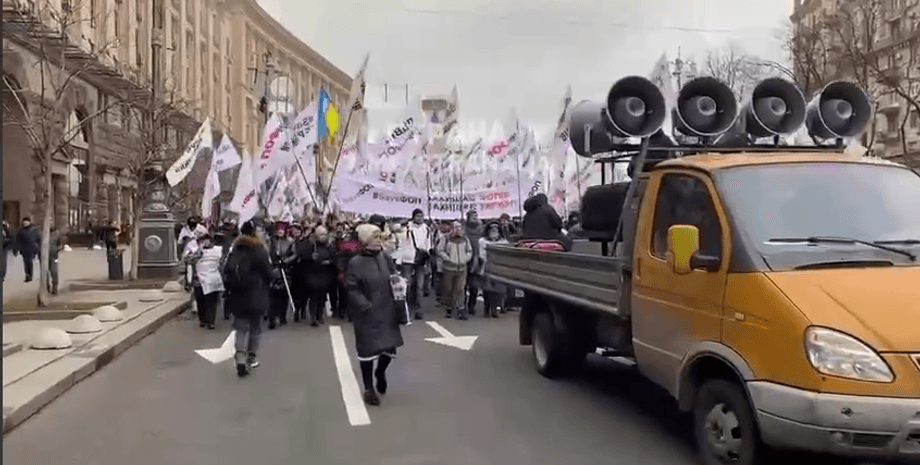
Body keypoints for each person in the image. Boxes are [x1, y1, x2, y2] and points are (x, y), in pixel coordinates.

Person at [344, 223, 406, 406]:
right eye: (375, 237)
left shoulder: (384, 257)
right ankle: (369, 388)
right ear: (364, 241)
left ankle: (380, 372)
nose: (379, 241)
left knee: (389, 349)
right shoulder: (355, 263)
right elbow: (351, 288)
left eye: (380, 237)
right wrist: (365, 305)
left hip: (387, 310)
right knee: (367, 353)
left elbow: (393, 274)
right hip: (367, 314)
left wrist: (399, 282)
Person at [223, 221, 273, 377]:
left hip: (238, 295)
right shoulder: (260, 250)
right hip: (256, 295)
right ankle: (251, 358)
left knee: (240, 329)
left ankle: (240, 358)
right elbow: (268, 274)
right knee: (255, 329)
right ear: (254, 233)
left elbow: (226, 272)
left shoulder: (235, 250)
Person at [399, 209, 433, 320]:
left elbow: (428, 244)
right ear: (413, 217)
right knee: (407, 285)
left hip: (420, 260)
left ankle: (419, 309)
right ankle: (405, 307)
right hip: (407, 259)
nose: (419, 218)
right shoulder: (406, 227)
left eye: (421, 216)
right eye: (417, 216)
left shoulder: (426, 229)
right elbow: (398, 236)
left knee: (419, 286)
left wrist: (426, 257)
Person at [437, 221, 473, 320]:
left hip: (462, 268)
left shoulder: (465, 239)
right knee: (448, 289)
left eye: (459, 227)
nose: (458, 230)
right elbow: (439, 250)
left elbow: (469, 251)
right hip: (449, 268)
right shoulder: (445, 238)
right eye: (455, 227)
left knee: (460, 289)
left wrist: (465, 259)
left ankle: (461, 309)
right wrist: (448, 258)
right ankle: (449, 307)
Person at [304, 225, 337, 326]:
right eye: (320, 234)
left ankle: (320, 315)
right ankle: (313, 317)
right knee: (313, 297)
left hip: (324, 274)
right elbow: (304, 259)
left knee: (322, 297)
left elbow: (334, 258)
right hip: (313, 274)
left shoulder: (329, 246)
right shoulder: (311, 245)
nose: (322, 236)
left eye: (324, 234)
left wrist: (329, 262)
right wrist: (311, 257)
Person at [268, 222, 295, 329]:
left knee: (283, 296)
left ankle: (282, 316)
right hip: (273, 270)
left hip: (285, 270)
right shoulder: (271, 242)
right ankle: (272, 318)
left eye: (282, 230)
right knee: (272, 296)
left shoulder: (289, 242)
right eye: (278, 230)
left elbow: (294, 254)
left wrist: (285, 261)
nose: (280, 232)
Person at [478, 222, 509, 317]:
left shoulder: (504, 242)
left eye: (496, 230)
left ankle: (496, 308)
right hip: (487, 266)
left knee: (499, 290)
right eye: (492, 230)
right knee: (487, 289)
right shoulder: (482, 241)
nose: (494, 232)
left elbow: (505, 255)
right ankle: (486, 307)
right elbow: (482, 254)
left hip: (499, 268)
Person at [464, 210, 484, 316]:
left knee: (474, 286)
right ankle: (462, 305)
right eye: (473, 217)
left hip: (477, 259)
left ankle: (471, 306)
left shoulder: (481, 229)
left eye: (476, 216)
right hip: (465, 258)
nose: (475, 218)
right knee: (463, 284)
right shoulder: (464, 228)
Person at [13, 217, 40, 282]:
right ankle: (27, 275)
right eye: (24, 222)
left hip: (31, 248)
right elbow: (17, 241)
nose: (25, 223)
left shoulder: (33, 230)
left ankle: (30, 275)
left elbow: (38, 239)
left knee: (29, 261)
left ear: (29, 222)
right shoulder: (20, 231)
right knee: (25, 262)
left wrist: (37, 249)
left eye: (26, 222)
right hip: (24, 248)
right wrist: (16, 249)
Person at [47, 224, 64, 294]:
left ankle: (55, 287)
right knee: (45, 272)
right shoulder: (42, 233)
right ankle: (46, 287)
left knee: (54, 271)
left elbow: (61, 244)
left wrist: (56, 249)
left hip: (54, 255)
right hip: (44, 256)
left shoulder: (57, 234)